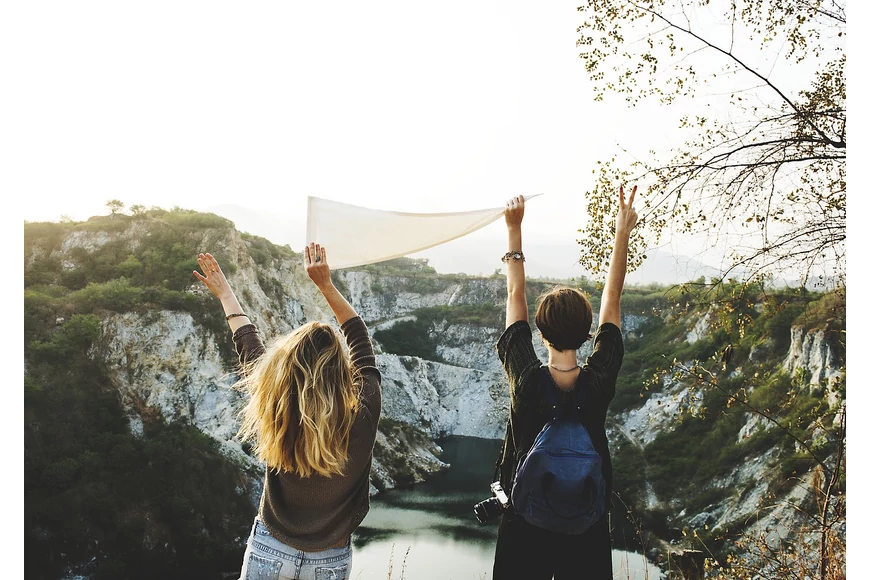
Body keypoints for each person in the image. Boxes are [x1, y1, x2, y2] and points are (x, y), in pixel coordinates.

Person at [193, 243, 382, 580]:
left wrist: (226, 295)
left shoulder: (274, 403)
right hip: (329, 557)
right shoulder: (363, 412)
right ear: (340, 370)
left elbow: (248, 346)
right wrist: (325, 284)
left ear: (285, 369)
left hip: (270, 548)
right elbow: (359, 339)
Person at [491, 187, 639, 579]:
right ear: (588, 333)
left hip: (524, 524)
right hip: (586, 526)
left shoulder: (526, 380)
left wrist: (514, 229)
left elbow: (514, 292)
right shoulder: (599, 381)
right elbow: (613, 296)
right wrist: (621, 234)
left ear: (540, 332)